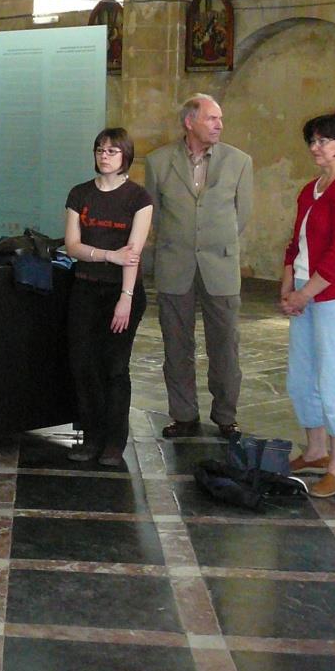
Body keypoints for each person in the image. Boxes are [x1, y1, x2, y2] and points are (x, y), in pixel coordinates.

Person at [145, 93, 253, 440]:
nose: (219, 125)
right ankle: (184, 414)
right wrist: (182, 242)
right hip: (175, 263)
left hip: (219, 264)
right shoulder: (158, 161)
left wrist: (211, 242)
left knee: (225, 344)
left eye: (220, 119)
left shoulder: (239, 161)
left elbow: (243, 214)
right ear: (190, 122)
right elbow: (156, 215)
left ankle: (225, 415)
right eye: (211, 118)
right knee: (176, 345)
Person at [64, 129, 153, 467]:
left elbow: (133, 253)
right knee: (83, 365)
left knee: (114, 367)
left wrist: (126, 298)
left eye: (113, 151)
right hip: (85, 287)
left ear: (125, 155)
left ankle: (115, 441)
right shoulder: (80, 194)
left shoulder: (138, 198)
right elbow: (72, 247)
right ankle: (91, 436)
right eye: (100, 149)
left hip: (121, 291)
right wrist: (106, 255)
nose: (105, 155)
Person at [281, 112, 335, 498]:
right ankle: (316, 450)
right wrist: (288, 285)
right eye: (312, 140)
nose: (315, 147)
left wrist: (306, 294)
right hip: (306, 286)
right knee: (301, 376)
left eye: (323, 140)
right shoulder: (311, 188)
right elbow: (295, 244)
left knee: (334, 379)